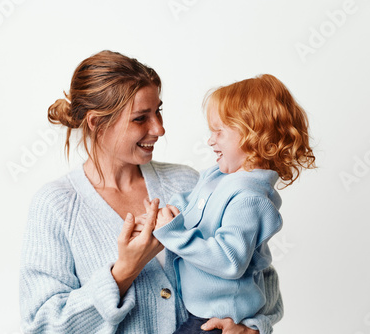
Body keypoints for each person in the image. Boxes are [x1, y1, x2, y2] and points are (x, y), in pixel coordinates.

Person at [19, 50, 283, 334]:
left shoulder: (190, 183)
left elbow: (259, 278)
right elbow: (42, 325)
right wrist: (123, 272)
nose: (159, 128)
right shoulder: (56, 206)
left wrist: (252, 329)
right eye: (140, 118)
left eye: (158, 110)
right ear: (96, 123)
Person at [147, 74, 316, 333]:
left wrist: (175, 233)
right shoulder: (219, 175)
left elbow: (230, 260)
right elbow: (192, 203)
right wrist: (172, 211)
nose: (210, 140)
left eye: (219, 132)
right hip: (194, 309)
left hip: (218, 320)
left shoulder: (250, 198)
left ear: (253, 137)